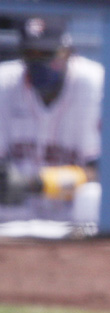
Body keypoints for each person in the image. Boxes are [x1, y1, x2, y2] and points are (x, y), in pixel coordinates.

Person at [0, 16, 103, 233]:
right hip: (14, 216)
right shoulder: (4, 84)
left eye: (46, 54)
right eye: (30, 54)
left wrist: (41, 183)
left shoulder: (95, 85)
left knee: (93, 194)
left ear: (67, 52)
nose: (38, 64)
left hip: (74, 219)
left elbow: (105, 170)